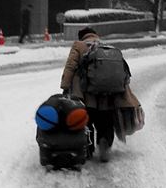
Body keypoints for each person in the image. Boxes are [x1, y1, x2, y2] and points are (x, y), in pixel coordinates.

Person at [60, 27, 140, 162]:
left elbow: (70, 66)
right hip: (108, 95)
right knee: (106, 120)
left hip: (86, 93)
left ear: (82, 37)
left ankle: (88, 148)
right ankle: (105, 143)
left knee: (86, 119)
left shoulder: (79, 45)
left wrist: (65, 86)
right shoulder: (106, 47)